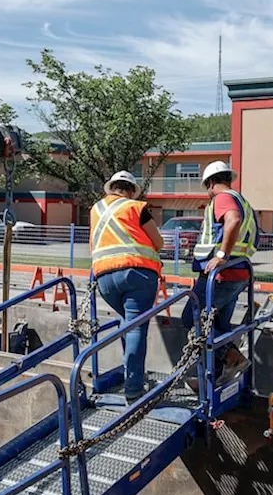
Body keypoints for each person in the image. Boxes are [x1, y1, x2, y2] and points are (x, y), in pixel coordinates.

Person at [182, 160, 259, 389]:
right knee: (218, 326)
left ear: (212, 183)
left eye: (207, 187)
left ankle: (233, 357)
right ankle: (211, 379)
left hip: (219, 275)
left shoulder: (222, 198)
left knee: (191, 318)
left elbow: (232, 220)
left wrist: (222, 254)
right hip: (238, 274)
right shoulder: (243, 200)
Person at [90, 170, 165, 402]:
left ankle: (129, 373)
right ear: (131, 190)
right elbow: (158, 241)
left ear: (111, 187)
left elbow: (92, 242)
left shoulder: (96, 209)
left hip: (104, 278)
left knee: (127, 324)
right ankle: (133, 388)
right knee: (136, 328)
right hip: (136, 274)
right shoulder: (135, 207)